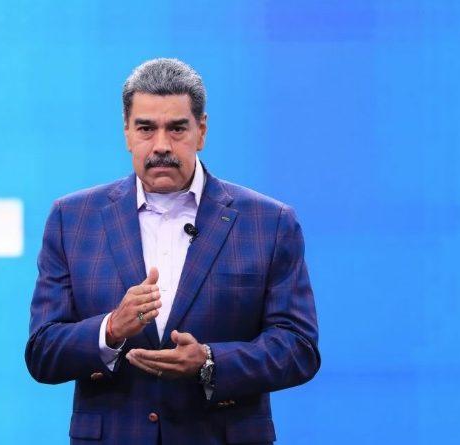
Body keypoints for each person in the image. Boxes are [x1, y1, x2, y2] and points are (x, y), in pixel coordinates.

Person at [25, 58, 320, 445]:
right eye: (146, 128)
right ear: (127, 133)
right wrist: (110, 329)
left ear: (202, 131)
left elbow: (298, 347)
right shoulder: (73, 219)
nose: (161, 145)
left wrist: (210, 361)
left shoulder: (269, 222)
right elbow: (43, 352)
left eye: (177, 128)